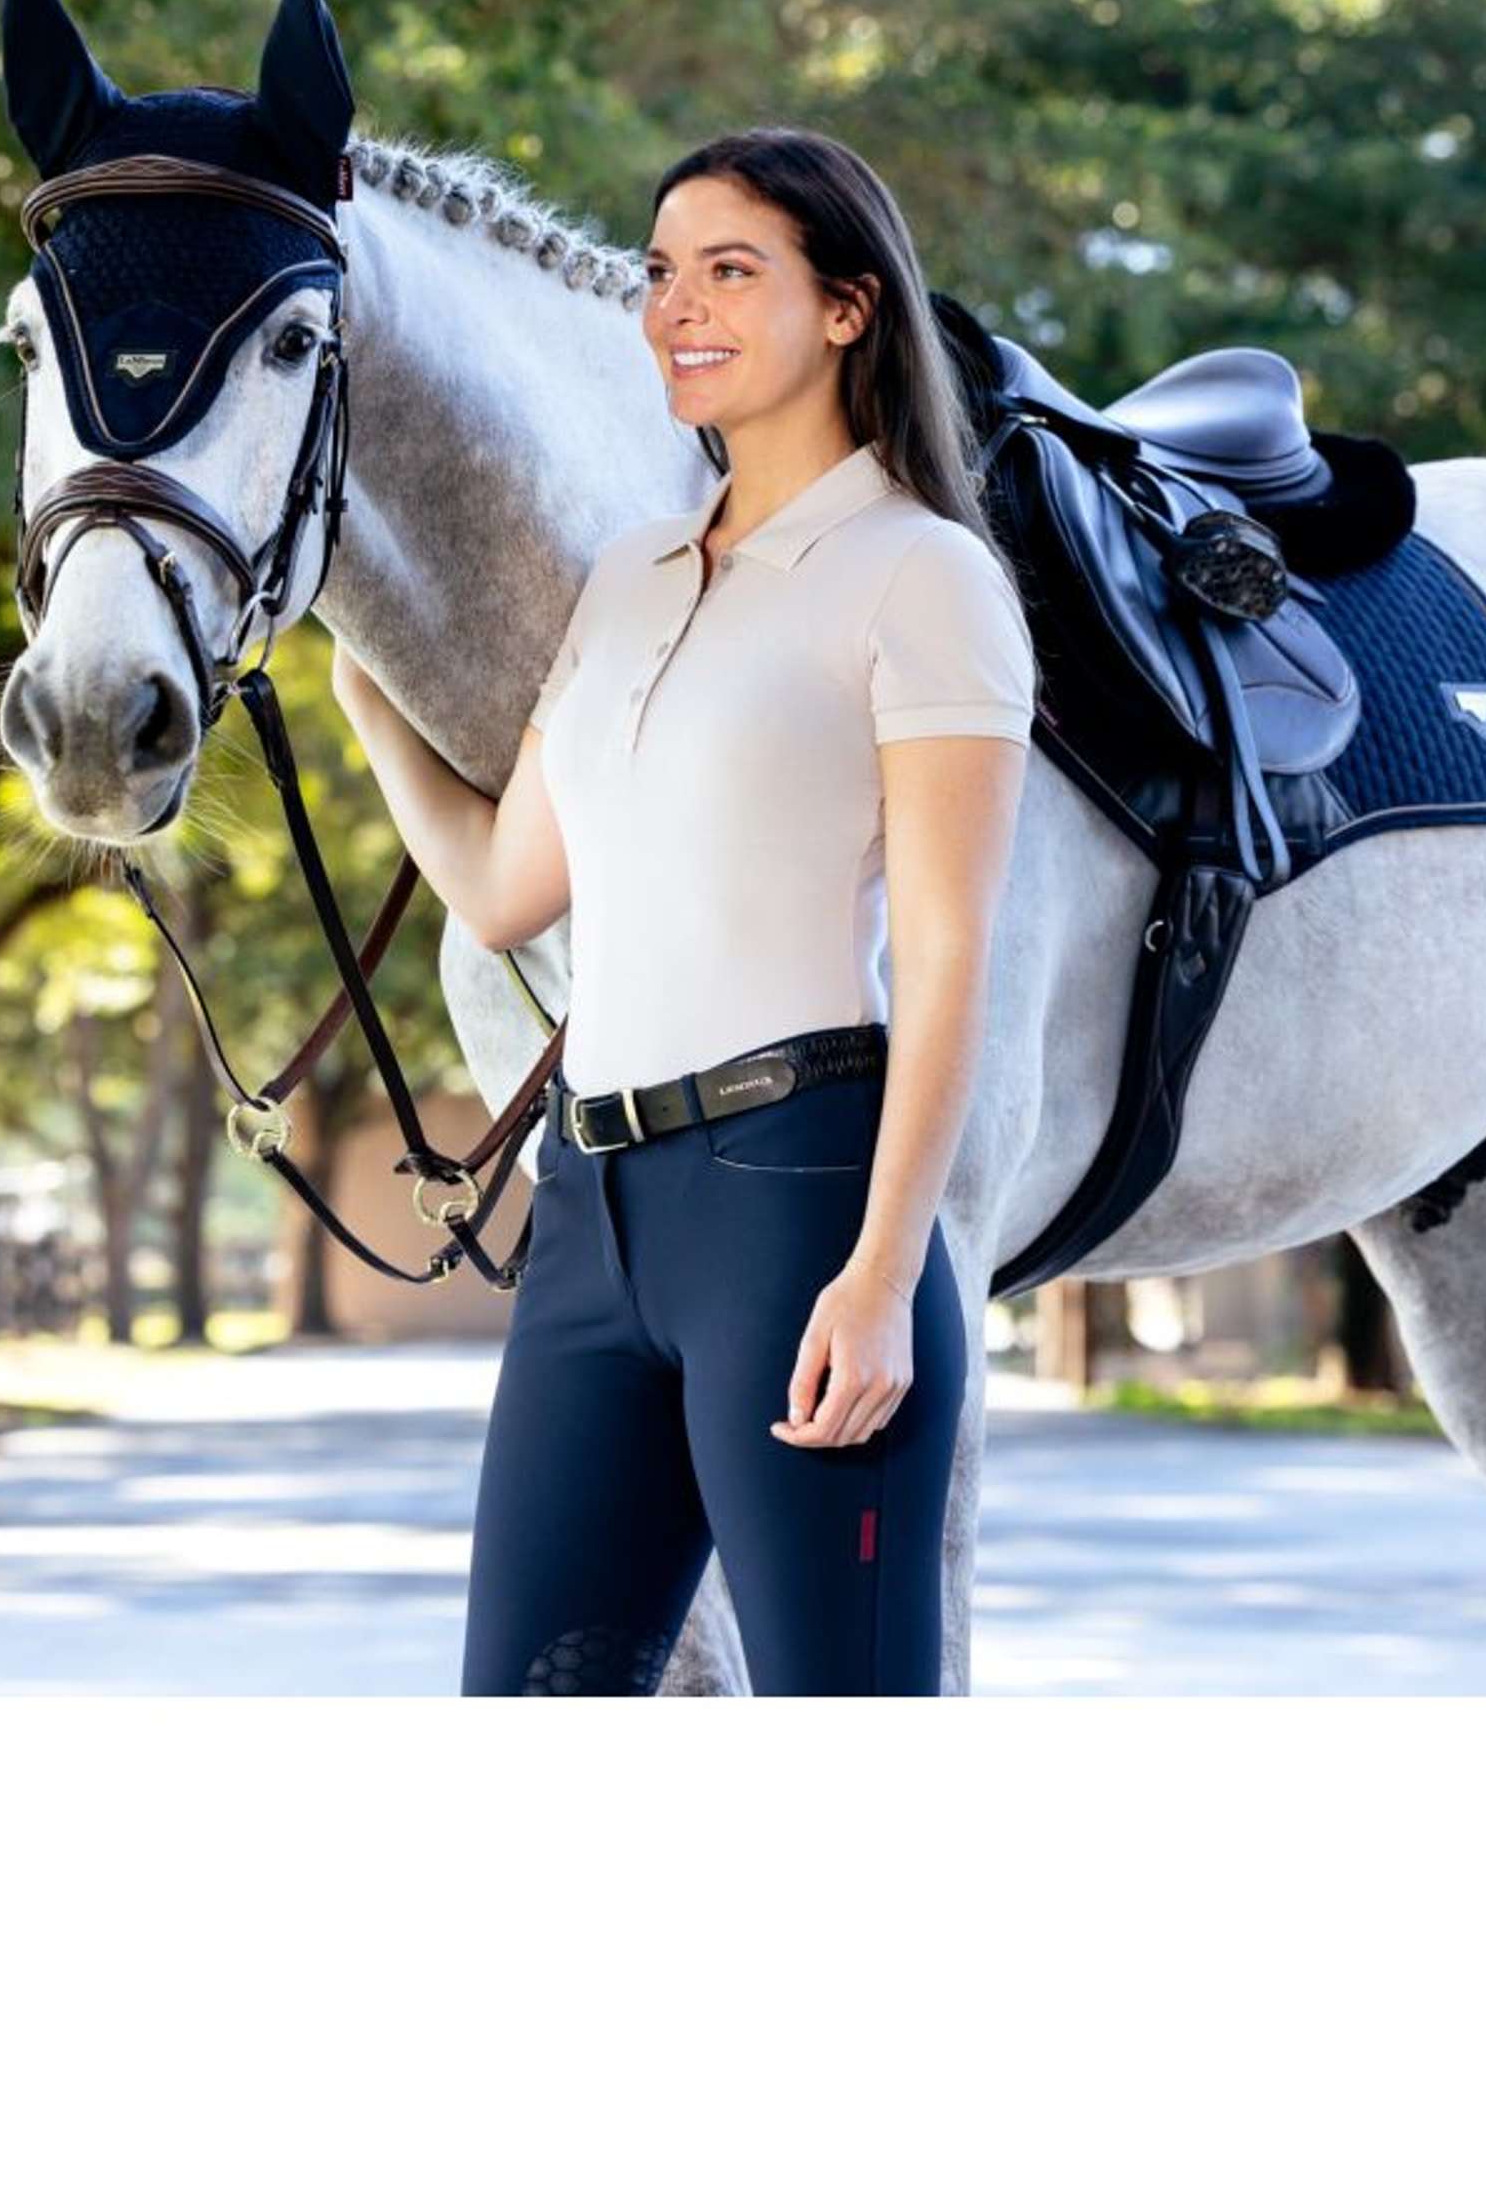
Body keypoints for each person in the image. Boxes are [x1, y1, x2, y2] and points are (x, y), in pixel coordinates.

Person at [331, 129, 1037, 1695]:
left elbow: (947, 955)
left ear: (848, 308)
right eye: (661, 272)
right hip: (589, 1212)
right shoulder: (631, 575)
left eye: (731, 271)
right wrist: (369, 692)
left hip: (798, 1204)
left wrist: (882, 1274)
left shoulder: (923, 577)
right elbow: (505, 891)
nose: (677, 309)